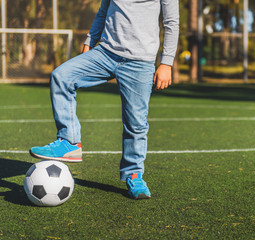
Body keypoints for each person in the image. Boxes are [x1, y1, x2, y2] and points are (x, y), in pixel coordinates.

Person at [29, 0, 179, 200]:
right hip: (105, 53)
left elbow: (171, 22)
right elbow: (103, 11)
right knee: (62, 76)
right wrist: (90, 40)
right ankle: (69, 142)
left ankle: (134, 174)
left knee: (135, 124)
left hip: (140, 62)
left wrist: (166, 63)